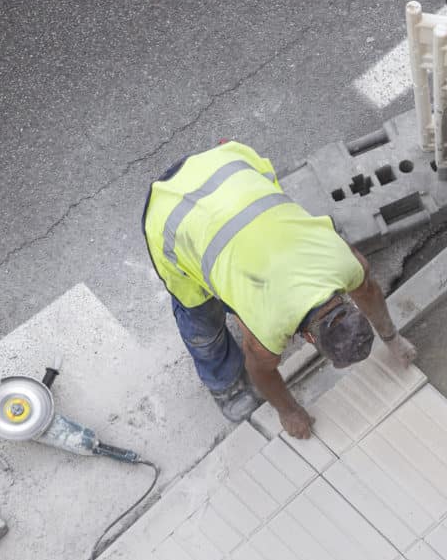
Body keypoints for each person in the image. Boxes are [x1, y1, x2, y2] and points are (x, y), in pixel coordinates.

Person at [142, 140, 416, 439]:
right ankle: (224, 384)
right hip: (170, 214)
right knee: (200, 316)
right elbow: (260, 369)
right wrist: (289, 411)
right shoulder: (269, 330)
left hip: (225, 165)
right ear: (309, 337)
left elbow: (370, 293)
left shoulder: (347, 265)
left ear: (348, 303)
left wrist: (392, 338)